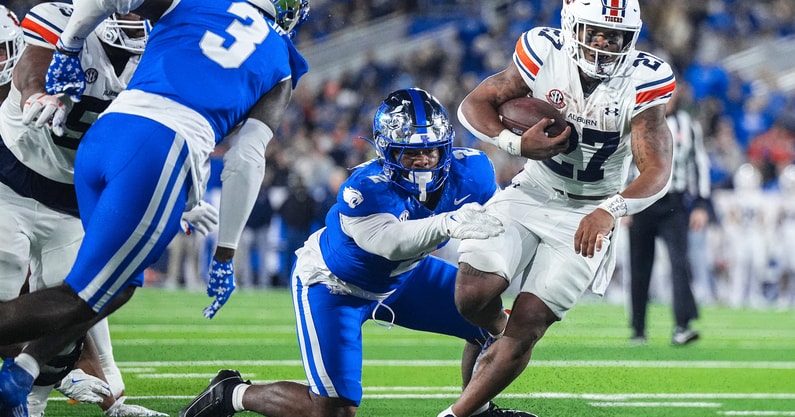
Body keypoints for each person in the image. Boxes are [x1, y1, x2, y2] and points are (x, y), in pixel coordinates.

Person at [0, 0, 309, 415]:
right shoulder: (281, 60)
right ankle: (20, 374)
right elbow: (246, 160)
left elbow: (107, 2)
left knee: (108, 291)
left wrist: (71, 45)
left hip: (98, 149)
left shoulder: (195, 4)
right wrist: (224, 253)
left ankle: (22, 378)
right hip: (155, 150)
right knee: (85, 295)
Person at [178, 88, 535, 417]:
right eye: (411, 153)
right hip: (335, 286)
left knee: (495, 325)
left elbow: (497, 221)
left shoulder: (472, 171)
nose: (425, 160)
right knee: (332, 410)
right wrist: (447, 223)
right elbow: (390, 243)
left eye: (431, 150)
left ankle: (477, 411)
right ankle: (233, 394)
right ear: (388, 151)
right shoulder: (365, 187)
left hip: (404, 278)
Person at [437, 0, 676, 416]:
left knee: (529, 323)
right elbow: (474, 104)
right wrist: (516, 145)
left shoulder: (644, 79)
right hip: (533, 188)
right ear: (570, 27)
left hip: (589, 209)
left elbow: (657, 168)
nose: (606, 44)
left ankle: (462, 412)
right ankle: (497, 332)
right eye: (597, 32)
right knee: (472, 296)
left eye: (616, 36)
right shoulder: (543, 51)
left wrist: (612, 209)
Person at [0, 3, 174, 416]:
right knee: (7, 304)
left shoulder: (163, 50)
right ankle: (63, 374)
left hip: (73, 197)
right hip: (11, 178)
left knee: (65, 315)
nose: (129, 14)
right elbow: (31, 64)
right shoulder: (60, 15)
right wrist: (35, 93)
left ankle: (28, 403)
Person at [627, 81, 709, 346]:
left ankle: (682, 326)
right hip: (641, 201)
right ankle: (638, 329)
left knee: (679, 263)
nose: (666, 100)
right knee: (640, 266)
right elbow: (623, 163)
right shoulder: (637, 122)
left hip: (674, 203)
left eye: (670, 94)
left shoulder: (687, 125)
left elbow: (699, 163)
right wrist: (622, 203)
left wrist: (700, 204)